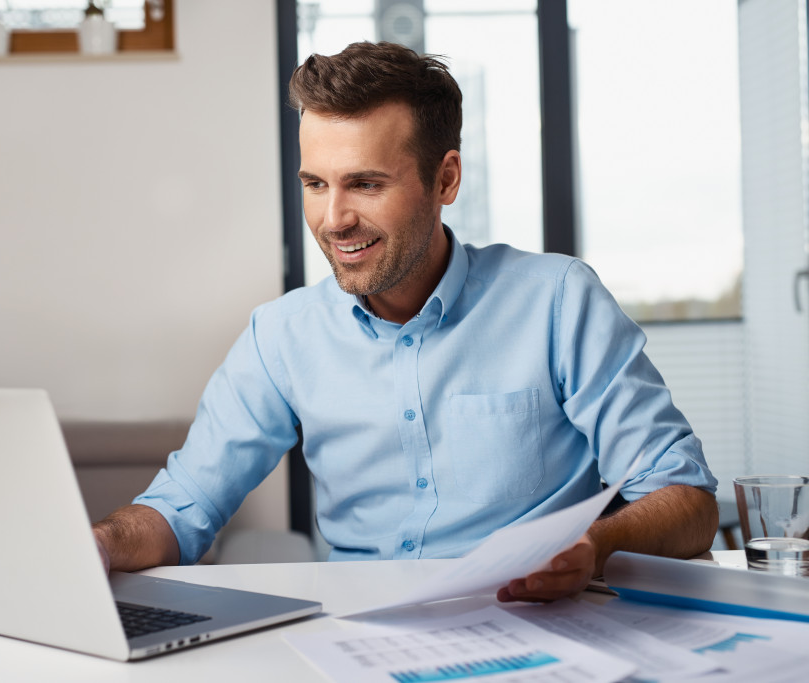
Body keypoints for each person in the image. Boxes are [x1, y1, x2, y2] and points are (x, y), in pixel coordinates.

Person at [92, 41, 718, 603]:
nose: (334, 219)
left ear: (445, 179)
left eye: (365, 184)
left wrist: (595, 544)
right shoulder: (280, 336)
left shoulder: (557, 301)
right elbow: (183, 509)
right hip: (357, 643)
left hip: (538, 630)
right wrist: (100, 544)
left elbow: (687, 501)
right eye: (315, 183)